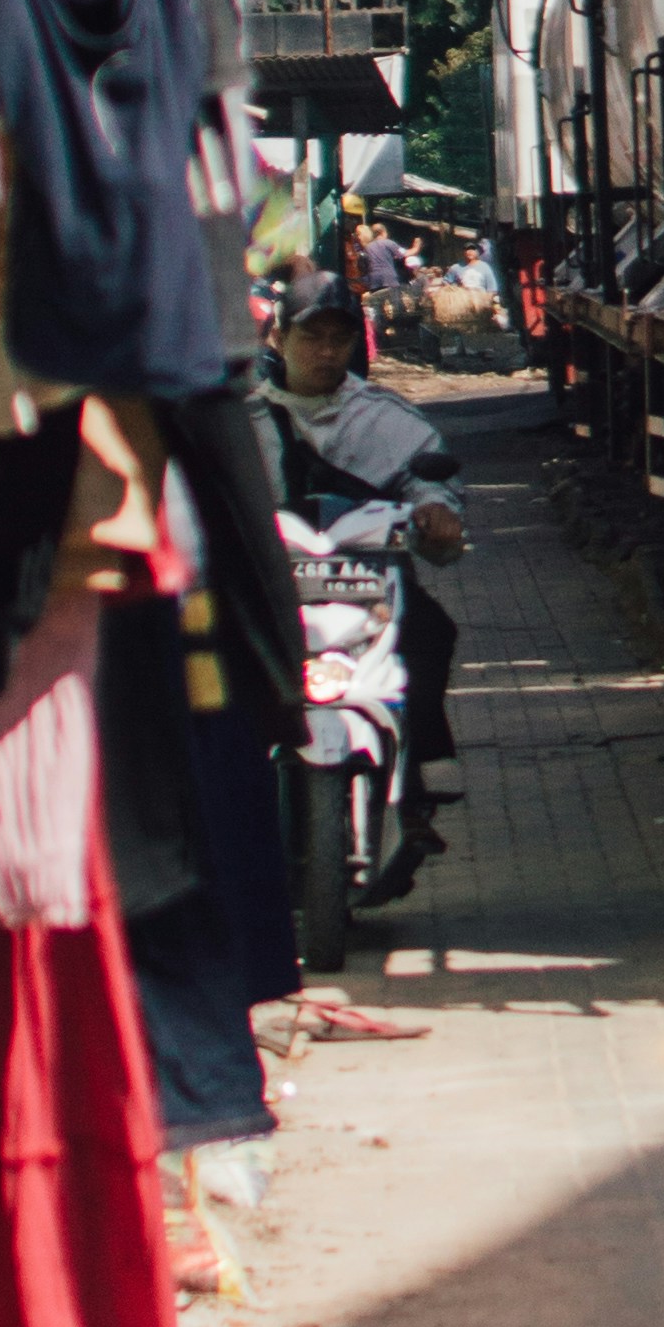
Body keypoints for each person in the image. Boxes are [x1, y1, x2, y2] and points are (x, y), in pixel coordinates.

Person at [253, 269, 468, 887]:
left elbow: (432, 481)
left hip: (367, 590)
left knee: (430, 634)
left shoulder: (387, 420)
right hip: (269, 591)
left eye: (338, 339)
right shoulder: (244, 420)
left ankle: (420, 775)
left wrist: (436, 514)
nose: (325, 352)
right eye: (310, 336)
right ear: (278, 338)